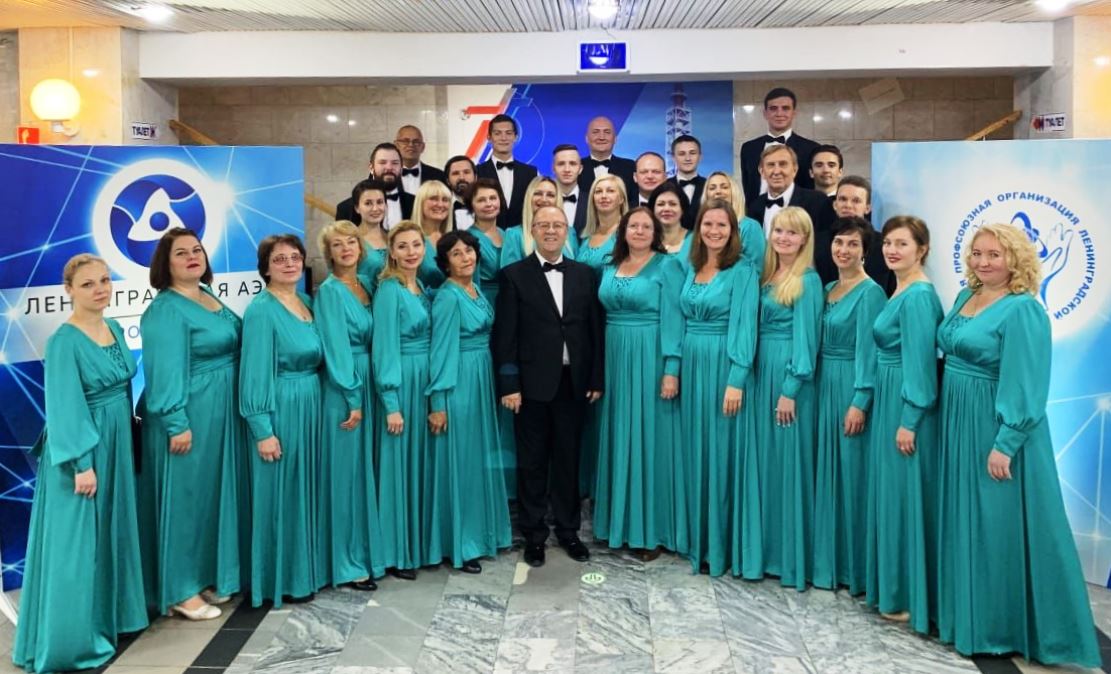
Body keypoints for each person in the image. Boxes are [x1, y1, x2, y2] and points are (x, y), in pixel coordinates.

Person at [936, 224, 1099, 667]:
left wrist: (1005, 442)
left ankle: (998, 627)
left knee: (995, 526)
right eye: (977, 253)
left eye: (995, 254)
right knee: (965, 520)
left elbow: (1027, 383)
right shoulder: (965, 296)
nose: (983, 262)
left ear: (1016, 259)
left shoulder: (1024, 309)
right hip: (956, 421)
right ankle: (963, 617)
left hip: (993, 425)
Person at [13, 255, 148, 673]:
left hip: (116, 441)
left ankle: (112, 618)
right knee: (76, 545)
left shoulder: (114, 328)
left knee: (110, 531)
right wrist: (81, 463)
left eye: (105, 280)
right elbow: (64, 406)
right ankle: (70, 641)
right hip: (81, 451)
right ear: (69, 290)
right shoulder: (64, 341)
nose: (100, 289)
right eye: (88, 284)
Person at [136, 228, 246, 621]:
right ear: (165, 264)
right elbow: (163, 372)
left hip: (220, 412)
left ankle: (202, 576)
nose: (192, 257)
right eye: (180, 253)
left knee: (208, 498)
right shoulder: (166, 309)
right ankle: (180, 589)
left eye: (196, 249)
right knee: (185, 499)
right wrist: (175, 421)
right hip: (188, 414)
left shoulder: (206, 294)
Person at [494, 206, 604, 568]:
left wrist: (595, 377)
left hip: (574, 384)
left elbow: (593, 331)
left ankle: (569, 531)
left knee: (569, 460)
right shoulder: (513, 275)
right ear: (533, 230)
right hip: (530, 386)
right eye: (544, 225)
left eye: (558, 225)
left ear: (567, 231)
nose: (551, 231)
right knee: (532, 463)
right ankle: (534, 535)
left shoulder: (585, 274)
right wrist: (509, 384)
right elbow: (505, 336)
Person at [593, 208, 685, 560]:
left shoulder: (668, 266)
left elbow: (674, 318)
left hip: (651, 356)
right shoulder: (609, 265)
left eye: (647, 226)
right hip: (615, 356)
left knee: (649, 438)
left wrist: (671, 367)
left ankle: (650, 531)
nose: (640, 230)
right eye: (634, 225)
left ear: (656, 232)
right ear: (623, 230)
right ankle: (616, 524)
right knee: (619, 434)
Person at [865, 216, 942, 633]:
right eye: (888, 243)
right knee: (891, 494)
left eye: (902, 244)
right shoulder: (901, 289)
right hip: (889, 395)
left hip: (904, 404)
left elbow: (921, 366)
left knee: (904, 497)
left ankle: (908, 596)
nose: (892, 251)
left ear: (922, 249)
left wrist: (909, 419)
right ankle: (892, 587)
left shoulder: (919, 298)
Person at [678, 200, 761, 578]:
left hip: (723, 365)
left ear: (733, 232)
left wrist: (736, 379)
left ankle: (720, 545)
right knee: (696, 451)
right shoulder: (692, 266)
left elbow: (745, 326)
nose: (714, 231)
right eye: (708, 224)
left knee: (721, 453)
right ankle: (697, 539)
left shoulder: (743, 270)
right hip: (693, 364)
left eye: (722, 226)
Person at [239, 235, 322, 605]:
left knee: (305, 492)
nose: (289, 264)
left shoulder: (306, 301)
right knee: (282, 494)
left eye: (295, 257)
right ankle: (282, 580)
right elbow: (254, 372)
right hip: (282, 406)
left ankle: (306, 570)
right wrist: (263, 429)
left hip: (311, 403)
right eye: (279, 259)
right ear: (266, 268)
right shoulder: (261, 310)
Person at [427, 231, 513, 573]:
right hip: (459, 381)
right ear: (445, 262)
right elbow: (441, 350)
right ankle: (461, 544)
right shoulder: (448, 296)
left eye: (469, 251)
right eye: (457, 254)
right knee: (462, 462)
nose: (466, 258)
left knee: (480, 459)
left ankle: (484, 534)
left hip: (481, 377)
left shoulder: (474, 288)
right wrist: (438, 402)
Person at [812, 217, 885, 595]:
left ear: (865, 252)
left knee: (850, 475)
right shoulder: (828, 287)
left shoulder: (870, 293)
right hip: (821, 385)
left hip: (848, 386)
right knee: (826, 473)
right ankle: (827, 563)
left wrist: (860, 400)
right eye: (839, 242)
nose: (843, 250)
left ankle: (854, 568)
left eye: (853, 244)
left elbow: (868, 352)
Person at [753, 206, 823, 590]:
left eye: (792, 233)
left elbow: (807, 342)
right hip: (760, 372)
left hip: (786, 378)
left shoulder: (807, 280)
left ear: (805, 239)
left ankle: (788, 558)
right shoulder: (767, 274)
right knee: (766, 465)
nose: (783, 238)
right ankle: (763, 550)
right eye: (778, 231)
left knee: (787, 465)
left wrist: (790, 390)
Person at [316, 221, 387, 592]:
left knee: (368, 473)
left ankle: (371, 552)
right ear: (328, 253)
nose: (346, 249)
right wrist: (352, 396)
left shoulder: (366, 285)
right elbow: (336, 348)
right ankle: (347, 562)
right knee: (348, 476)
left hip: (371, 379)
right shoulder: (329, 292)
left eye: (351, 242)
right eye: (337, 245)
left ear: (361, 248)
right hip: (347, 388)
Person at [371, 221, 437, 579]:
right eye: (403, 246)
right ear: (392, 253)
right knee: (399, 466)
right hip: (402, 382)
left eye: (416, 245)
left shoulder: (421, 287)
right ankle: (396, 553)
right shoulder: (388, 290)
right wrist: (391, 402)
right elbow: (384, 347)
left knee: (421, 464)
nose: (411, 252)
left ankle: (420, 545)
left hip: (425, 378)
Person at [746, 145, 837, 284]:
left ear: (795, 169)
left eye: (783, 164)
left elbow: (826, 250)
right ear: (762, 171)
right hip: (765, 282)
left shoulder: (818, 202)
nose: (777, 171)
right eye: (771, 165)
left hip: (806, 283)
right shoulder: (754, 206)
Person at [739, 87, 820, 203]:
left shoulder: (811, 149)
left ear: (794, 113)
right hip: (757, 213)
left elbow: (812, 189)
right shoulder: (748, 149)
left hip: (797, 213)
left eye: (785, 108)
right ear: (765, 113)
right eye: (773, 108)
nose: (779, 113)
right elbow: (748, 189)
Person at [834, 175, 894, 296]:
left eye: (856, 201)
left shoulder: (884, 245)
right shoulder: (819, 242)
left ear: (867, 208)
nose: (848, 205)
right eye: (843, 199)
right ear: (835, 205)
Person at [476, 114, 538, 229]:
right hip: (486, 235)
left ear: (515, 137)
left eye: (508, 133)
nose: (503, 138)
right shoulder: (477, 172)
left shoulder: (531, 172)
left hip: (523, 236)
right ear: (489, 138)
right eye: (497, 133)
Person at [502, 176, 576, 270]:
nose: (544, 199)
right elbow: (509, 275)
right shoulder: (513, 235)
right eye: (538, 193)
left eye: (550, 195)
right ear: (529, 197)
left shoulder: (570, 233)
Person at [336, 143, 414, 228]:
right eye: (382, 162)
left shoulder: (416, 203)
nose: (389, 167)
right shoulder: (345, 208)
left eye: (395, 163)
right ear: (371, 167)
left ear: (401, 168)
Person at [704, 171, 765, 268]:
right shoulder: (702, 229)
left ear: (734, 192)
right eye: (712, 188)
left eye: (724, 187)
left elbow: (757, 269)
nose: (718, 191)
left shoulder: (750, 227)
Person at [465, 178, 507, 305]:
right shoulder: (468, 239)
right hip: (485, 303)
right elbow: (471, 283)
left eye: (493, 198)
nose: (489, 204)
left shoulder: (506, 234)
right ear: (471, 205)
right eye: (481, 200)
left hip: (509, 300)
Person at [578, 174, 629, 273]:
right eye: (598, 191)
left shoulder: (628, 233)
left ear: (621, 199)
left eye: (610, 191)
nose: (604, 196)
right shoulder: (586, 235)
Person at [580, 116, 638, 199]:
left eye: (607, 132)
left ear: (615, 139)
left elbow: (634, 201)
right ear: (587, 138)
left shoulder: (630, 167)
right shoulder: (576, 166)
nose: (601, 137)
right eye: (595, 132)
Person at [411, 179, 455, 288]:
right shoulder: (410, 240)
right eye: (434, 199)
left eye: (445, 200)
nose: (440, 204)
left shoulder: (454, 240)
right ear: (420, 203)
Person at [351, 179, 390, 285]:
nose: (375, 208)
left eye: (380, 202)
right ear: (357, 208)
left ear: (386, 205)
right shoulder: (350, 240)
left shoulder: (392, 237)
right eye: (368, 203)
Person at [395, 125, 446, 195]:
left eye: (416, 142)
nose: (411, 145)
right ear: (396, 145)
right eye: (405, 141)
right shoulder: (387, 175)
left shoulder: (439, 176)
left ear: (423, 147)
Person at [552, 144, 589, 233]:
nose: (567, 169)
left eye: (572, 164)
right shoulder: (543, 201)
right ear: (553, 169)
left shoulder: (592, 201)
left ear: (580, 169)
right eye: (561, 164)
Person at [648, 181, 691, 257]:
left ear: (682, 209)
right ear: (653, 209)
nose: (666, 209)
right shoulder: (645, 239)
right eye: (661, 204)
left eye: (673, 204)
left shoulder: (696, 240)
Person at [671, 134, 706, 213]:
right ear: (673, 158)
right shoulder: (664, 187)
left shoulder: (709, 186)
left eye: (692, 153)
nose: (687, 158)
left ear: (700, 156)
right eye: (682, 154)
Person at [444, 155, 477, 230]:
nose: (462, 177)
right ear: (448, 181)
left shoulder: (488, 205)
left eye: (466, 172)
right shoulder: (442, 207)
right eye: (455, 173)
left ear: (475, 177)